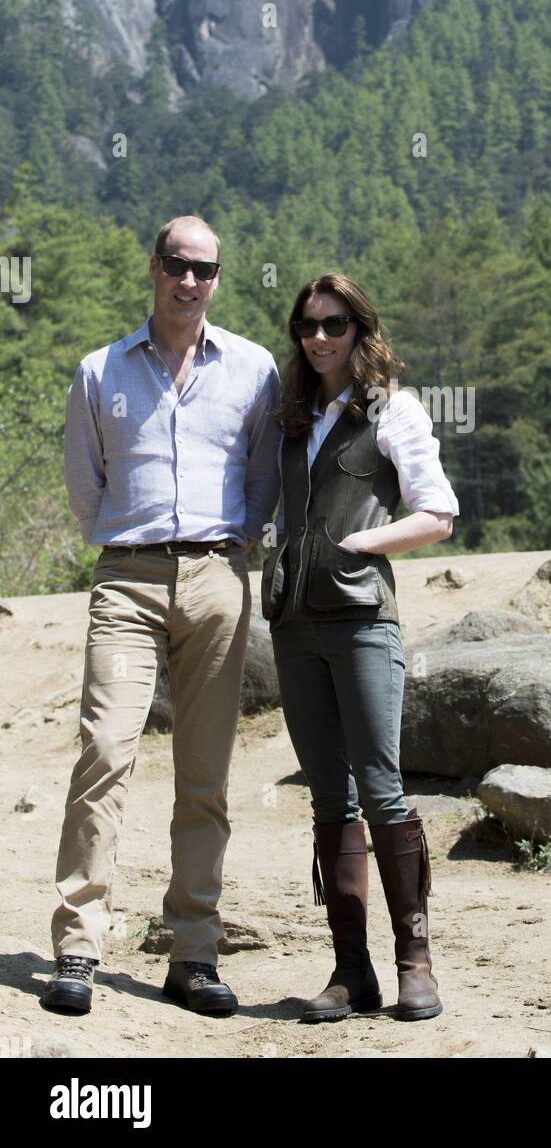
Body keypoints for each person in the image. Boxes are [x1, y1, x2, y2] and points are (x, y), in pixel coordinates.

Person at [44, 215, 281, 1017]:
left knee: (205, 775)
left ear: (218, 278)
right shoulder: (98, 370)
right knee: (104, 754)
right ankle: (77, 948)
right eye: (177, 265)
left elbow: (262, 477)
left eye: (205, 270)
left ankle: (194, 954)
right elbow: (87, 489)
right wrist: (127, 546)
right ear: (153, 267)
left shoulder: (253, 369)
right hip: (127, 579)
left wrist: (235, 550)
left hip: (218, 578)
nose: (190, 281)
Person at [262, 273, 459, 1022]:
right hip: (292, 626)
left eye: (333, 324)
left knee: (381, 789)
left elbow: (437, 513)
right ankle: (351, 974)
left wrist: (359, 543)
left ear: (359, 329)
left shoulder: (393, 410)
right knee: (328, 799)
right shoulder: (287, 417)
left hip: (362, 621)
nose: (317, 338)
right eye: (306, 325)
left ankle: (415, 964)